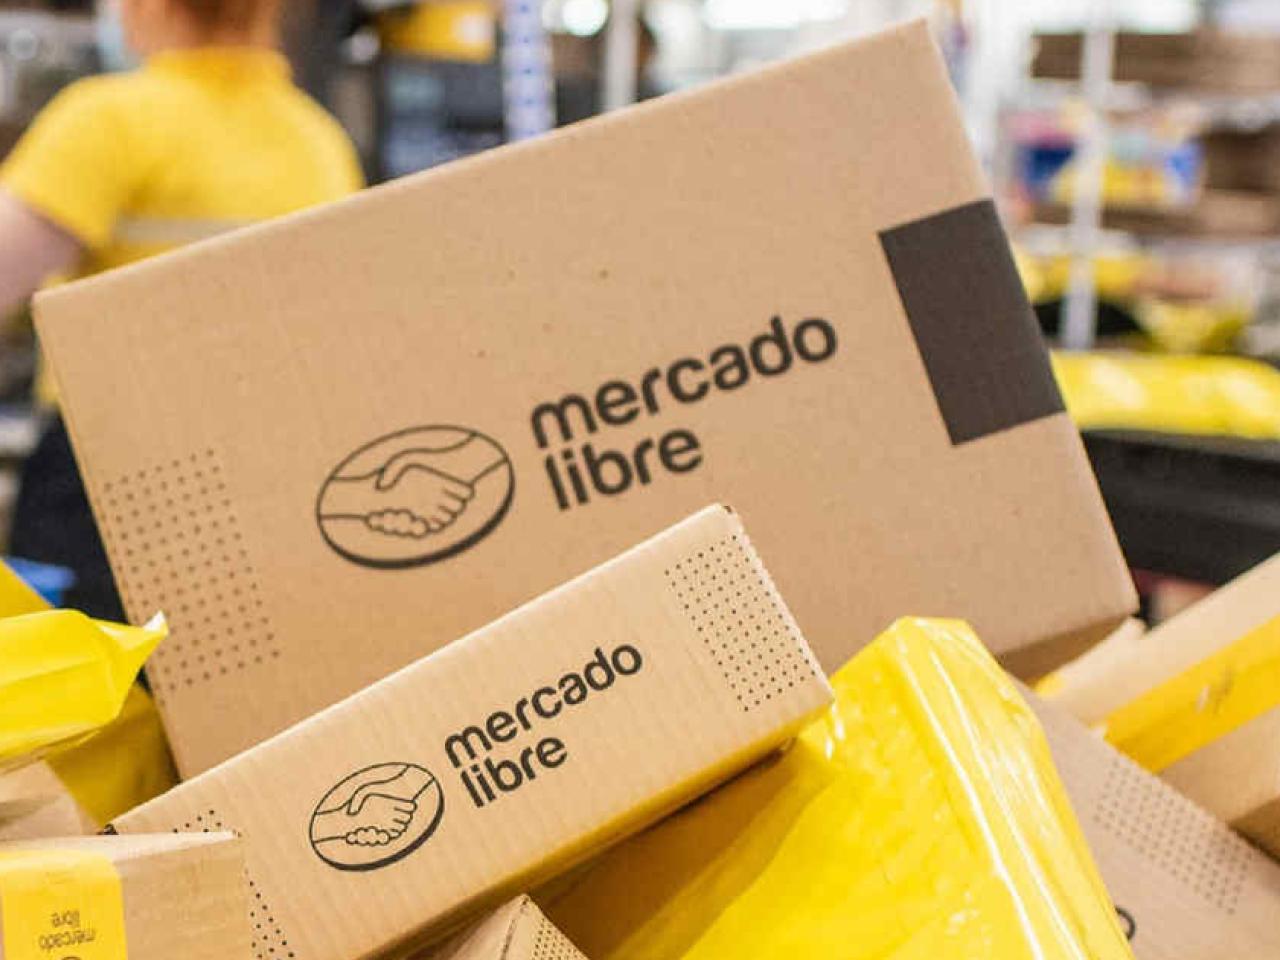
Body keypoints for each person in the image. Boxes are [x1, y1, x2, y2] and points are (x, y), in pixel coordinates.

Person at [0, 0, 363, 618]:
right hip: (268, 481)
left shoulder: (110, 121)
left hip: (109, 478)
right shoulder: (320, 141)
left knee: (96, 673)